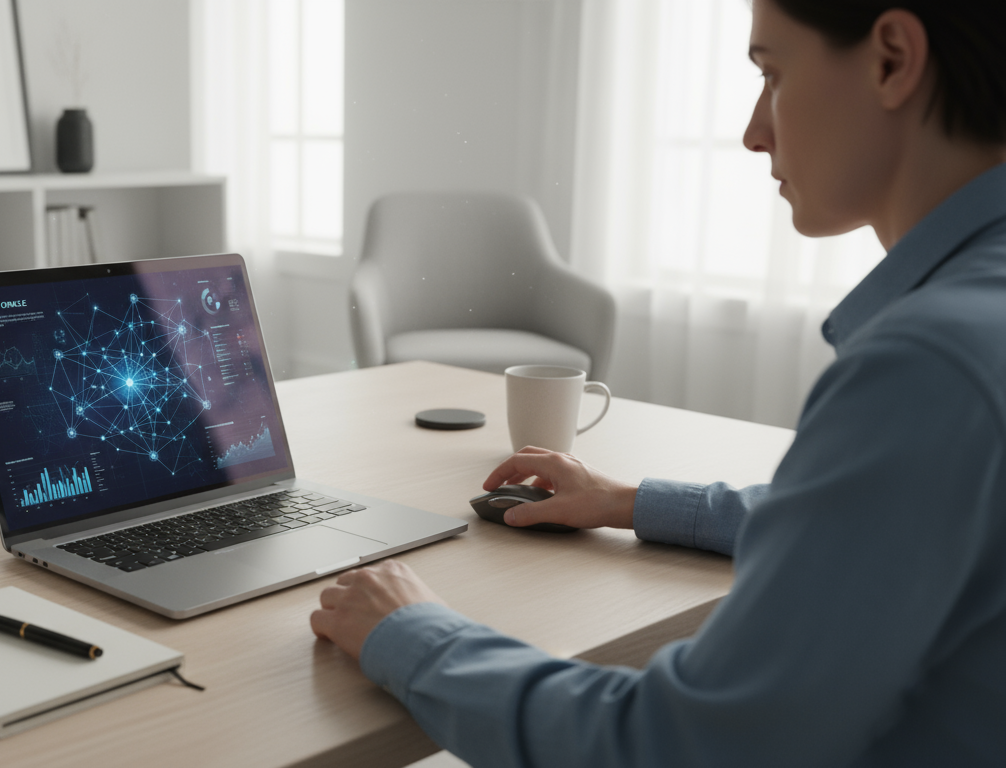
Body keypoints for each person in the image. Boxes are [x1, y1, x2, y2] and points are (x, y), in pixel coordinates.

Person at [310, 0, 1006, 765]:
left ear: (892, 59)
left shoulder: (930, 366)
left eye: (772, 73)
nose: (754, 130)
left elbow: (678, 744)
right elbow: (889, 525)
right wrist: (627, 501)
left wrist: (410, 633)